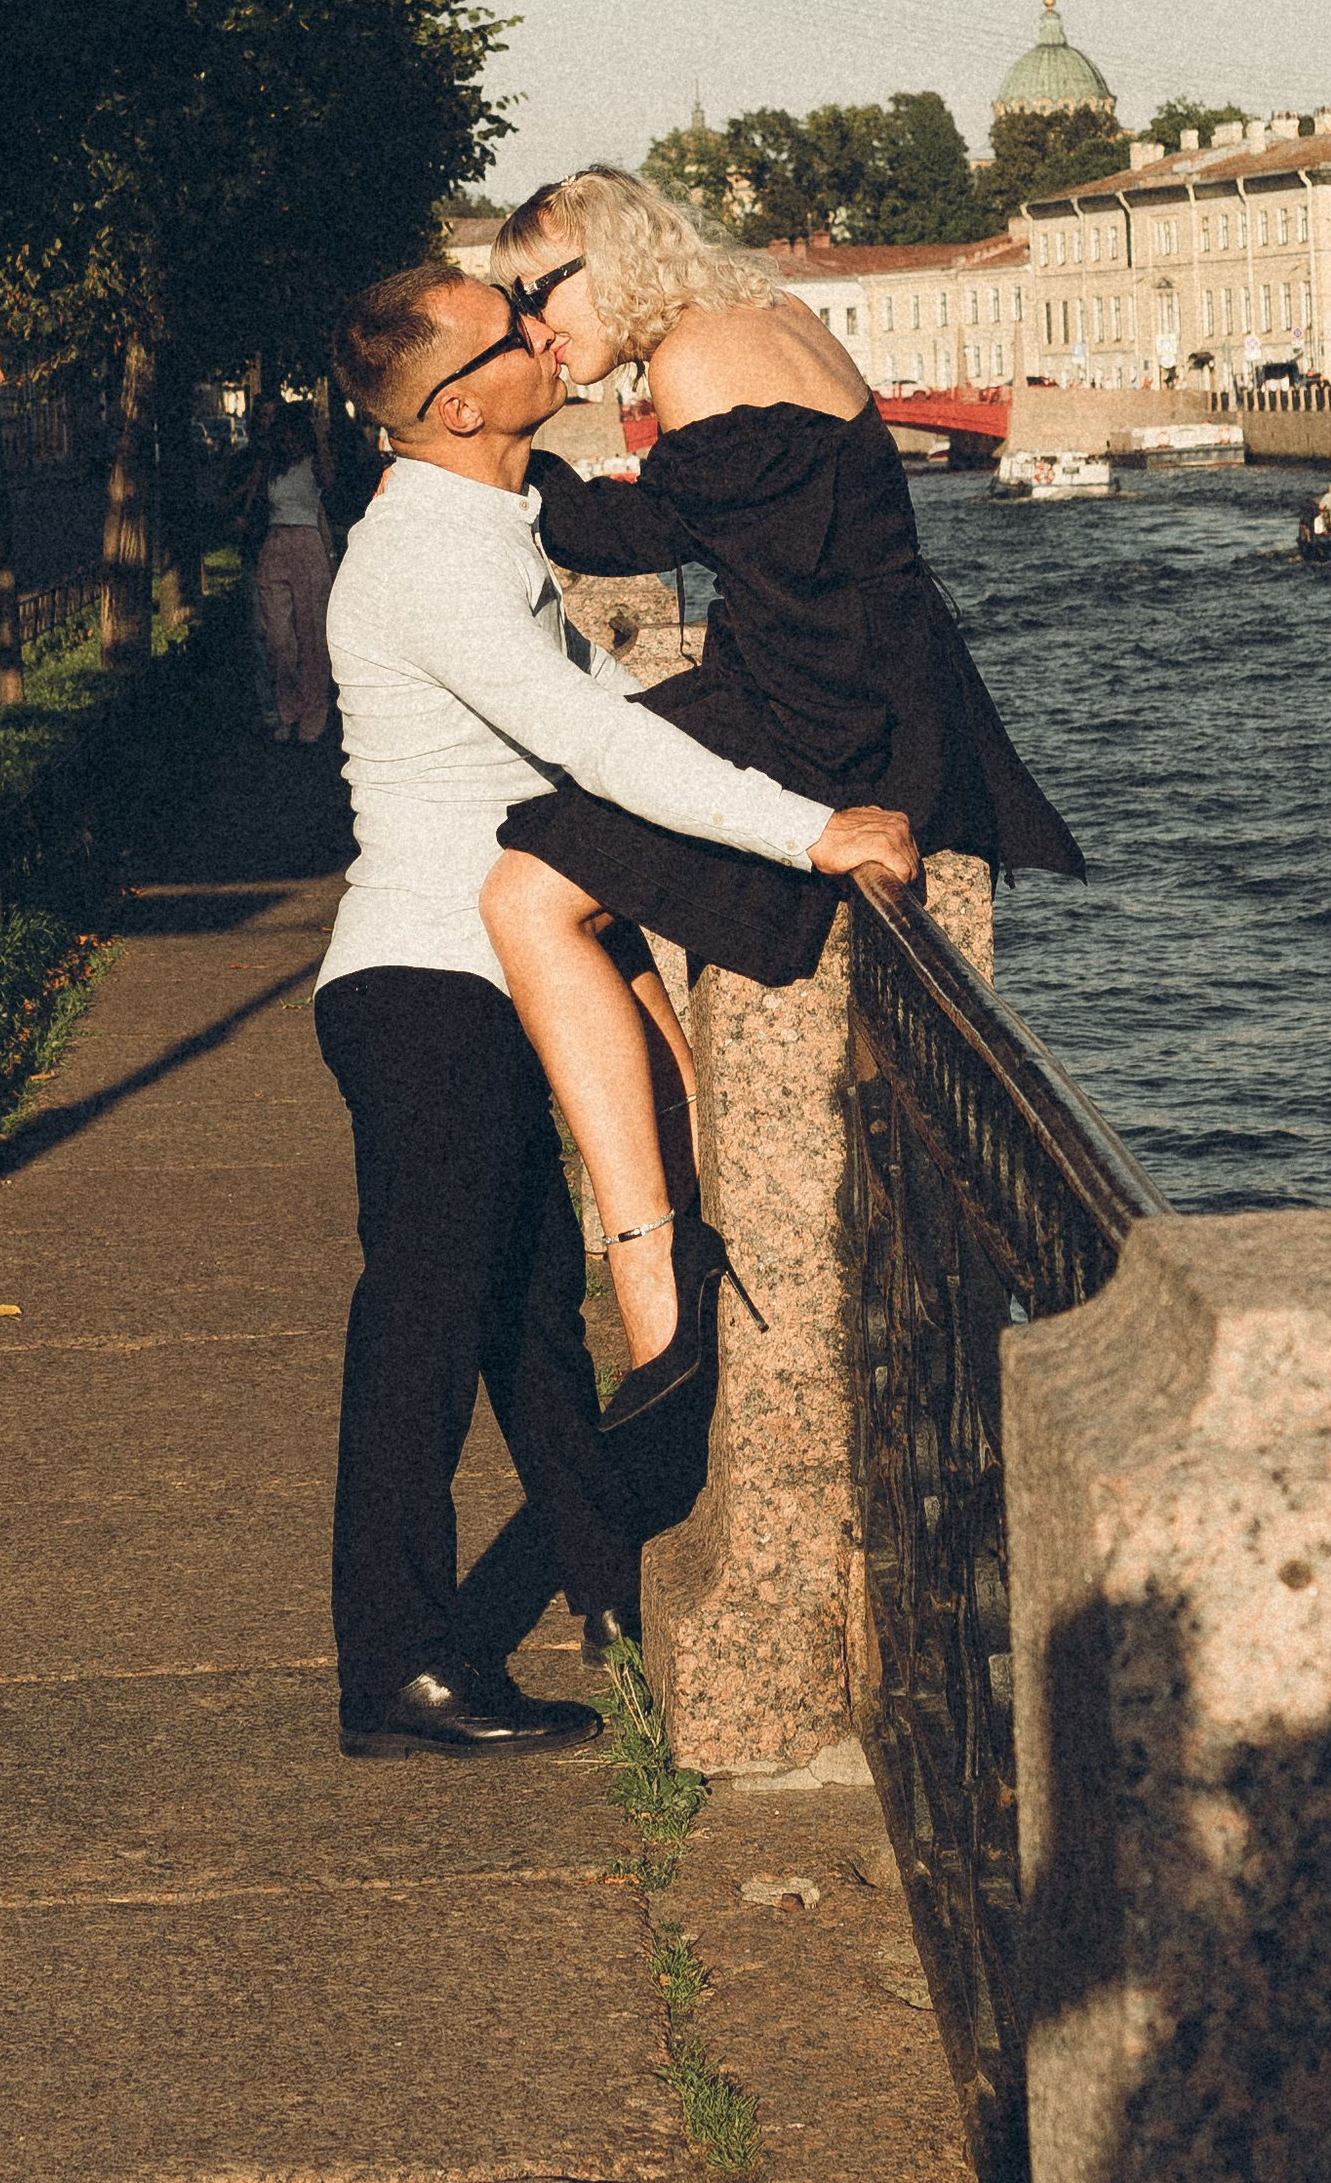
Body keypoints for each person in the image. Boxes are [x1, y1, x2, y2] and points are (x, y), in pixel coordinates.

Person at [316, 260, 916, 1760]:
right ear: (462, 405)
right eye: (512, 329)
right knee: (426, 1321)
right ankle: (392, 1664)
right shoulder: (429, 559)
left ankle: (607, 1589)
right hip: (426, 986)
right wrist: (814, 831)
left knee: (523, 1322)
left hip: (469, 979)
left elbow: (631, 719)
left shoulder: (482, 525)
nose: (542, 331)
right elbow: (597, 746)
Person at [481, 167, 1083, 1414]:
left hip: (828, 707)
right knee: (572, 843)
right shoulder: (763, 318)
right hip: (858, 677)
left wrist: (490, 450)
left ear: (602, 260)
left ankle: (662, 1243)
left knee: (536, 882)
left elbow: (631, 544)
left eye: (535, 297)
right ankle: (687, 1172)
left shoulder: (699, 355)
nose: (535, 332)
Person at [245, 403, 334, 747]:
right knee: (279, 639)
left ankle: (313, 712)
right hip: (275, 547)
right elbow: (250, 503)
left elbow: (330, 482)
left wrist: (323, 439)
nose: (290, 443)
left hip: (307, 548)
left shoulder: (313, 465)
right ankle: (287, 709)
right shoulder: (269, 467)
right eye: (285, 436)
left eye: (297, 436)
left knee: (312, 636)